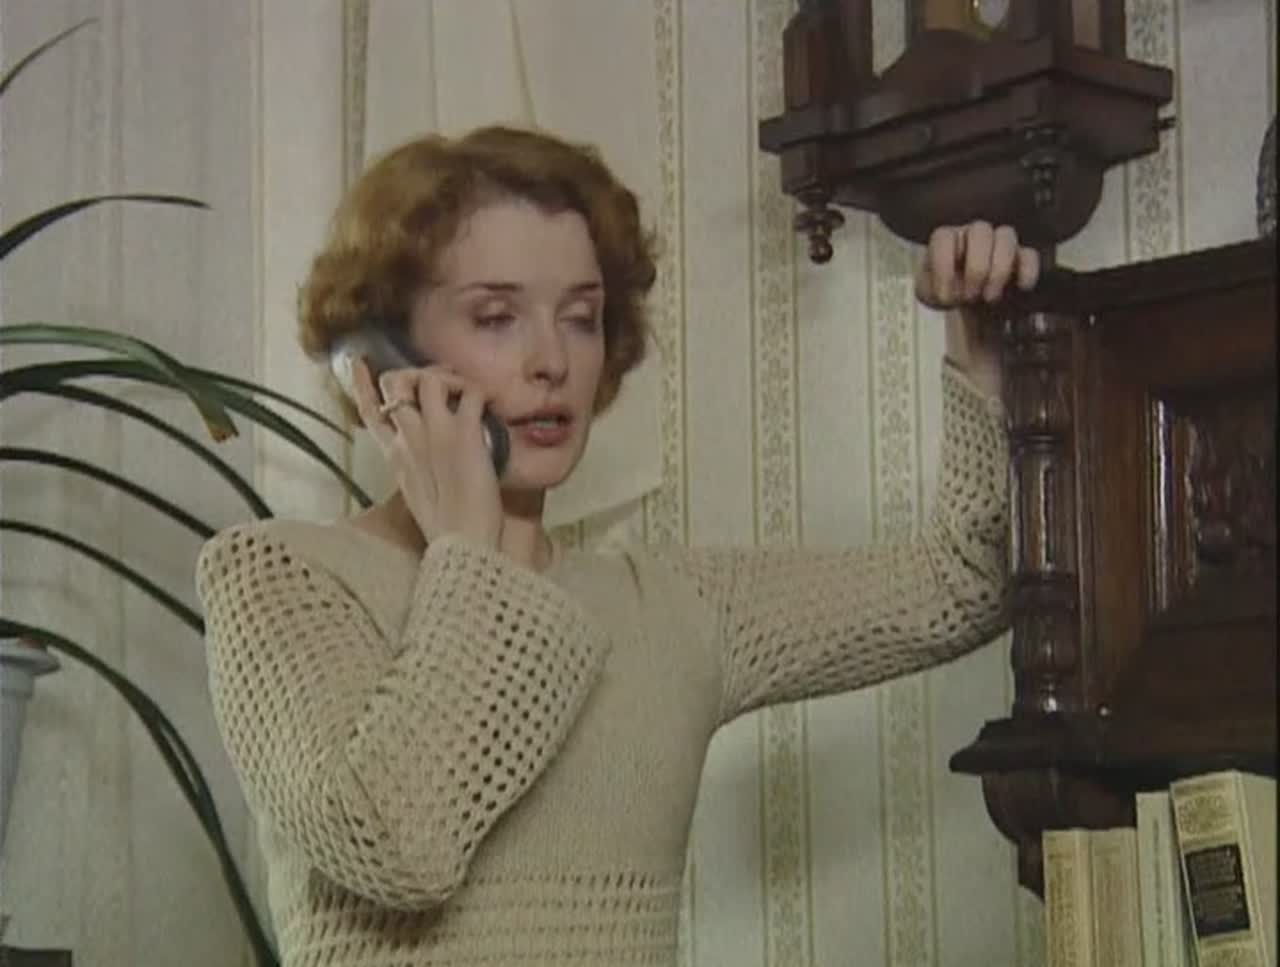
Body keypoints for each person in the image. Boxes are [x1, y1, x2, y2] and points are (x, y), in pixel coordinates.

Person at [196, 124, 1040, 966]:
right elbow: (396, 841)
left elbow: (963, 583)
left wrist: (980, 357)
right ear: (379, 357)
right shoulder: (280, 578)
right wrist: (470, 550)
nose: (552, 360)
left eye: (582, 318)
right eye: (496, 316)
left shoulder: (675, 605)